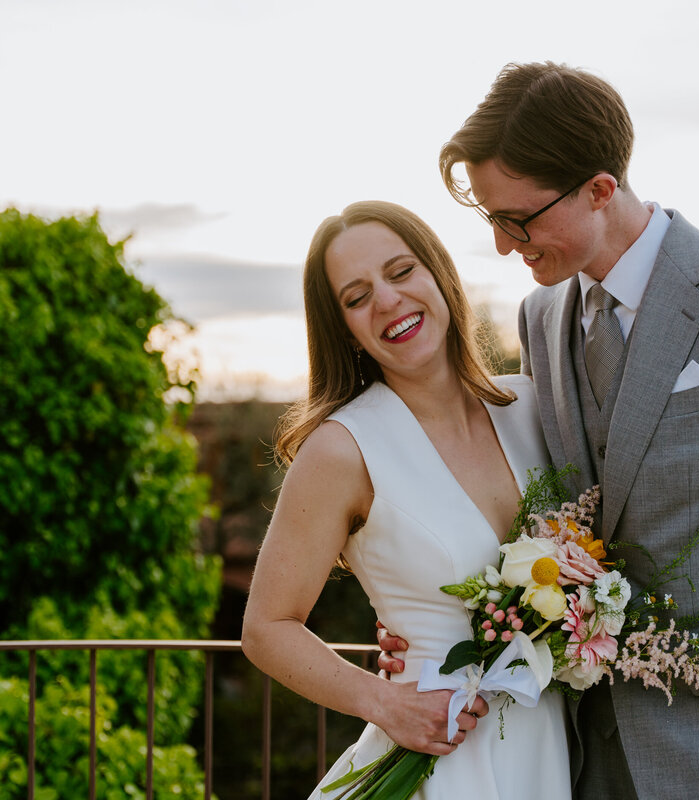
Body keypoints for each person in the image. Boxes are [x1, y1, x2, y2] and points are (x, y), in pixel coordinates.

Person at [379, 62, 699, 799]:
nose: (504, 245)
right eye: (492, 221)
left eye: (519, 220)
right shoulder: (540, 318)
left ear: (600, 189)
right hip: (595, 755)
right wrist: (431, 629)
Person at [241, 200, 571, 799]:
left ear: (439, 274)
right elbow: (266, 628)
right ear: (344, 327)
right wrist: (386, 702)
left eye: (400, 272)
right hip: (440, 755)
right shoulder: (342, 450)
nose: (388, 301)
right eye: (357, 296)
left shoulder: (534, 408)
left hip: (551, 744)